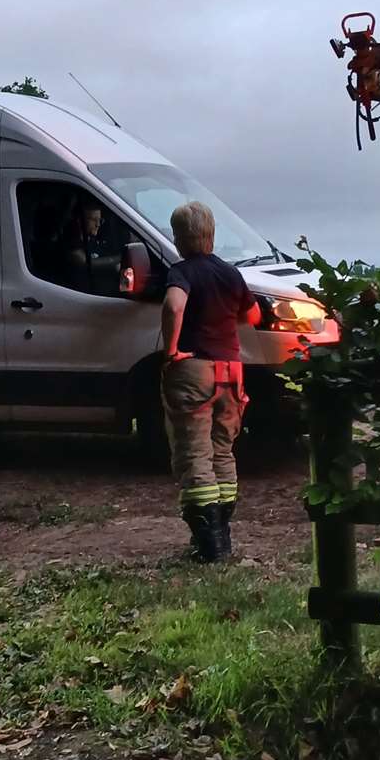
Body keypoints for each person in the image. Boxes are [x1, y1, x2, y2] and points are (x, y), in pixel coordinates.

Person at [160, 200, 262, 563]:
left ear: (179, 238)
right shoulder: (230, 274)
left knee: (194, 455)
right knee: (222, 452)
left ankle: (210, 546)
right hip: (231, 373)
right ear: (212, 235)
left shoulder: (181, 271)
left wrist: (172, 350)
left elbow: (174, 306)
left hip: (194, 372)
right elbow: (253, 314)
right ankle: (223, 536)